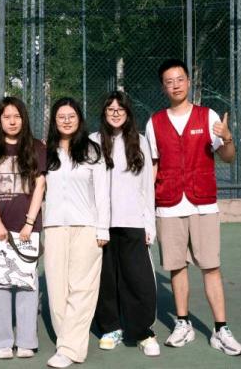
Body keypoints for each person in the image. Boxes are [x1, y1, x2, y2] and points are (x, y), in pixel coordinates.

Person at [145, 58, 241, 356]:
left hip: (203, 204)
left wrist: (227, 137)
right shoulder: (154, 122)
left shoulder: (208, 115)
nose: (175, 85)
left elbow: (228, 157)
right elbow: (153, 166)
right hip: (168, 205)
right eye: (169, 81)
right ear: (163, 88)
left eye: (180, 79)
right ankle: (183, 323)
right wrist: (146, 208)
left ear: (189, 82)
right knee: (177, 267)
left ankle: (221, 329)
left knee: (211, 267)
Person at [0, 96, 46, 360]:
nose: (12, 121)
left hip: (27, 228)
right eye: (7, 117)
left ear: (23, 119)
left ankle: (26, 340)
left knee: (27, 283)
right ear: (0, 120)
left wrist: (29, 222)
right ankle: (1, 340)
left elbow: (40, 185)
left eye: (17, 116)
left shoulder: (36, 147)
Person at [43, 97, 109, 368]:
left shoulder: (92, 151)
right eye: (61, 117)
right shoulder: (46, 152)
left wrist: (103, 227)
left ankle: (69, 349)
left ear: (79, 119)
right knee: (57, 290)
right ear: (54, 121)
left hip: (87, 227)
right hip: (54, 227)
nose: (67, 121)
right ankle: (67, 340)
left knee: (83, 289)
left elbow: (102, 193)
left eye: (71, 116)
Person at [92, 91, 159, 357]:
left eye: (120, 109)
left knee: (138, 280)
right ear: (104, 113)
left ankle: (142, 331)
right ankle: (111, 328)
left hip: (133, 222)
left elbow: (147, 187)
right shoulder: (93, 141)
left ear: (128, 113)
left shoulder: (140, 142)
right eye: (110, 109)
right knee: (106, 280)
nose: (116, 113)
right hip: (102, 225)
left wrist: (149, 224)